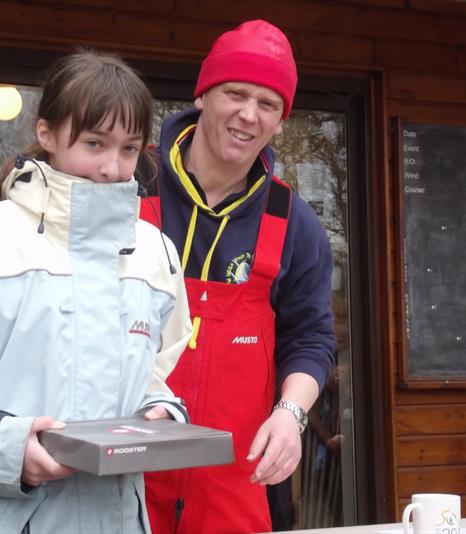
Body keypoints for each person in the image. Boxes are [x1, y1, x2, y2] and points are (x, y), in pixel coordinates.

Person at [0, 50, 192, 534]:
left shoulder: (156, 252)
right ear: (46, 133)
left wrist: (159, 413)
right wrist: (6, 447)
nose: (112, 166)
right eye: (94, 142)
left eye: (130, 149)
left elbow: (156, 367)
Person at [141, 19, 336, 533]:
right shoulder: (132, 187)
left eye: (268, 104)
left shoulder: (295, 222)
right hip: (123, 477)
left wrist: (292, 416)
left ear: (279, 121)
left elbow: (312, 337)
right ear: (203, 95)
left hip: (237, 488)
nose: (248, 114)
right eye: (235, 93)